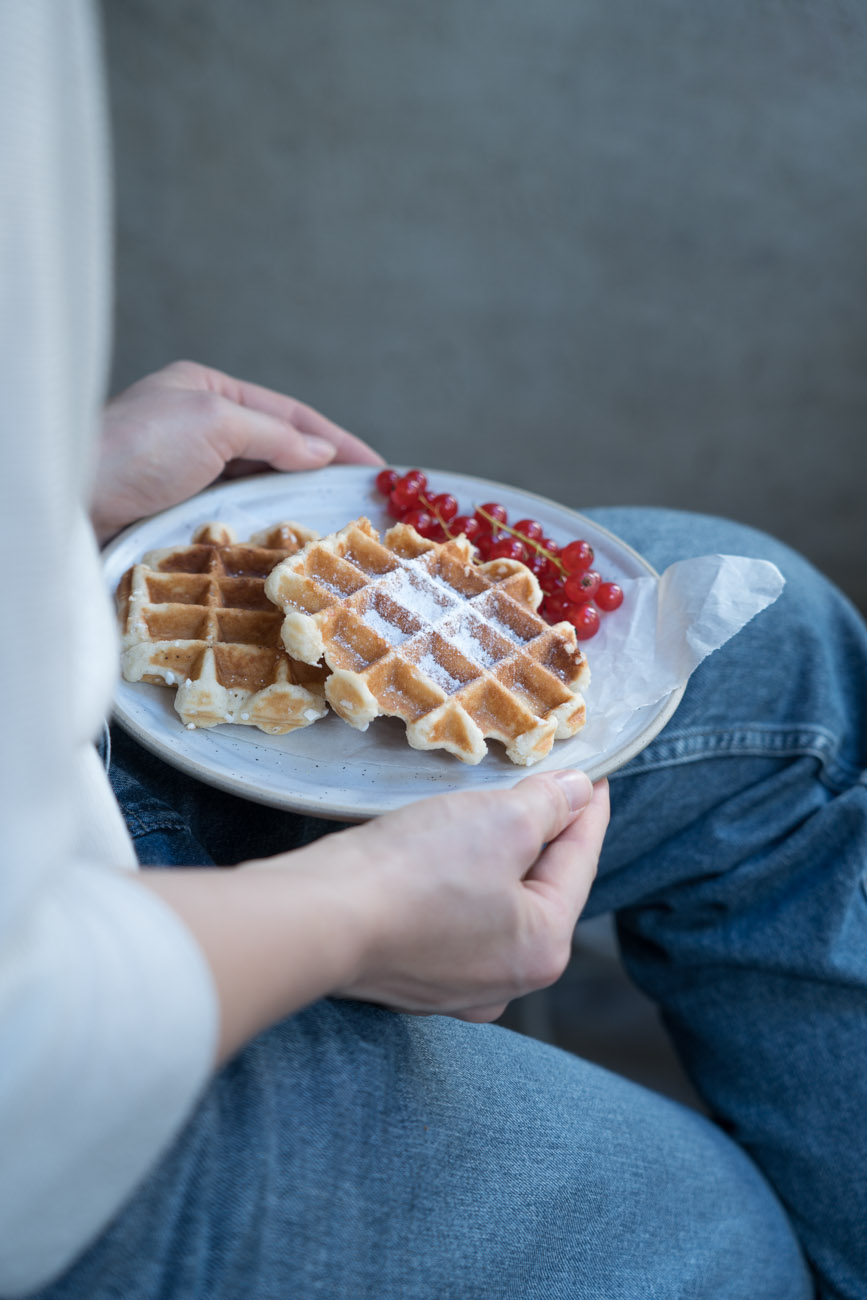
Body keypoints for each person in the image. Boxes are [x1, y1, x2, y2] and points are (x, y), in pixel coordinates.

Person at [2, 5, 865, 1299]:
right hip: (57, 1071)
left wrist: (42, 497)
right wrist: (357, 917)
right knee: (704, 1239)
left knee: (782, 662)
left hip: (53, 756)